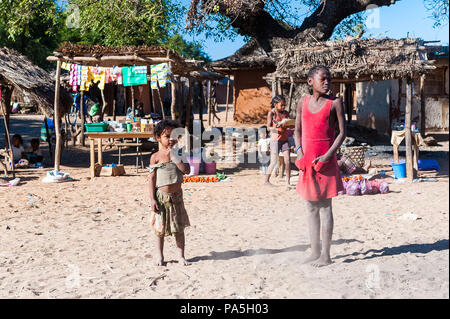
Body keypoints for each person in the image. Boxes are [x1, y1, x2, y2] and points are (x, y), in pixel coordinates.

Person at [294, 65, 346, 267]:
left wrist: (327, 156)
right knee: (310, 207)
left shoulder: (334, 104)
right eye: (323, 79)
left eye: (329, 79)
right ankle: (314, 251)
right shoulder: (302, 102)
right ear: (310, 82)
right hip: (307, 162)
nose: (327, 82)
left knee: (325, 207)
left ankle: (326, 255)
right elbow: (297, 130)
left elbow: (342, 133)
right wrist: (299, 152)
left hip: (325, 162)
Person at [149, 119, 191, 266]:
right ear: (158, 138)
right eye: (167, 136)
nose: (171, 139)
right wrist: (152, 199)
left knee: (179, 228)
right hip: (161, 198)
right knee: (160, 229)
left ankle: (181, 256)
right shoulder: (155, 157)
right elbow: (151, 179)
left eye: (174, 136)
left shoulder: (180, 153)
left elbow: (187, 170)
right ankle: (160, 256)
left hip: (176, 198)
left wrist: (176, 158)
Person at [265, 95, 293, 188]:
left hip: (285, 139)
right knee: (273, 162)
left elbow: (290, 125)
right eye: (282, 105)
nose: (284, 107)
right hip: (275, 140)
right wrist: (276, 128)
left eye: (284, 105)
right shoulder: (272, 113)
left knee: (288, 160)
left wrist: (289, 125)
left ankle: (287, 182)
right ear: (275, 104)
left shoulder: (286, 113)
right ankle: (266, 180)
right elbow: (268, 128)